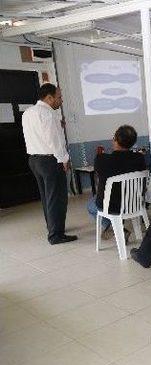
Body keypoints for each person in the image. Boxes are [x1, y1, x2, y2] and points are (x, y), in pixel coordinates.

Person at [23, 83, 77, 245]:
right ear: (49, 98)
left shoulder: (28, 112)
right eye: (59, 97)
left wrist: (58, 127)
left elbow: (40, 134)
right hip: (50, 160)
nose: (61, 101)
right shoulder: (49, 114)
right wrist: (64, 159)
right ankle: (56, 235)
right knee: (57, 198)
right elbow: (54, 141)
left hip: (34, 160)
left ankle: (53, 227)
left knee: (47, 197)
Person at [87, 125, 146, 239]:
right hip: (135, 203)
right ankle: (117, 227)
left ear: (115, 139)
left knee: (91, 205)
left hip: (112, 205)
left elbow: (99, 178)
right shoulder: (140, 158)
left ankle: (115, 228)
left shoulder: (101, 159)